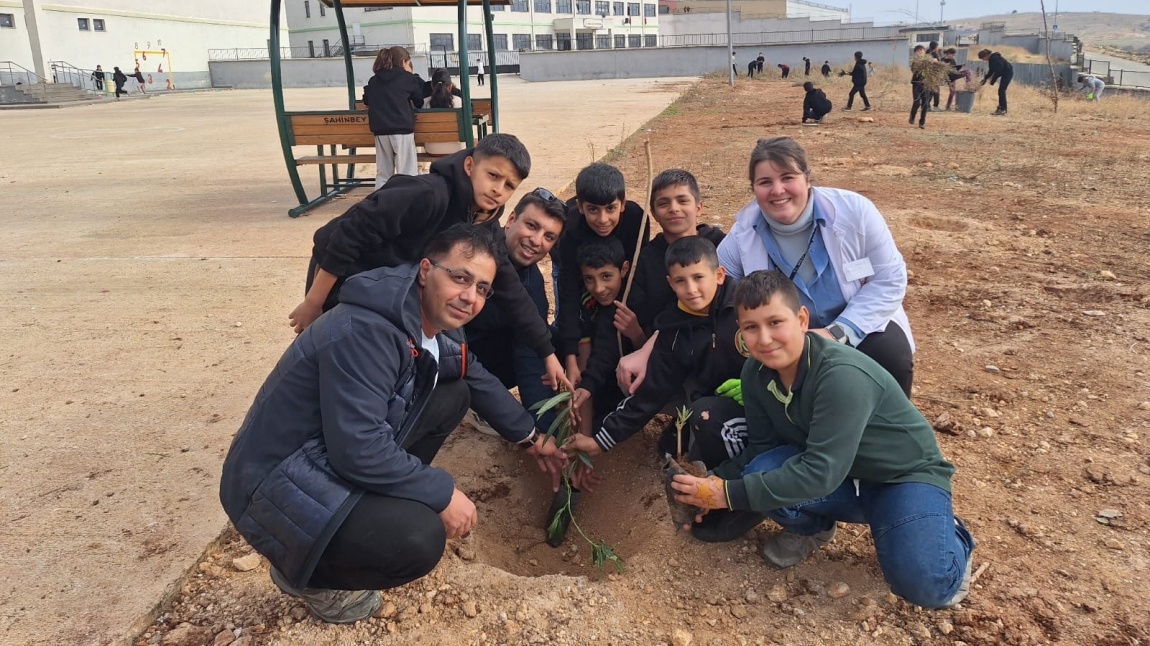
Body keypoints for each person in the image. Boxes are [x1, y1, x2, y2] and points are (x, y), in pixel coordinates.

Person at [220, 225, 568, 625]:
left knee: (452, 394)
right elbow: (358, 449)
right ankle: (308, 577)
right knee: (418, 539)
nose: (470, 296)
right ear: (425, 270)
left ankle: (371, 501)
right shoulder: (369, 331)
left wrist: (530, 437)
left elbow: (471, 372)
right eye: (460, 277)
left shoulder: (429, 318)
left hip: (321, 454)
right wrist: (440, 493)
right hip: (271, 483)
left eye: (483, 289)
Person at [670, 270, 975, 610]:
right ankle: (815, 529)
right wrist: (711, 485)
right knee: (763, 467)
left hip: (899, 478)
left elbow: (819, 473)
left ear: (801, 319)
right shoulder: (755, 374)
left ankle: (948, 532)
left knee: (928, 587)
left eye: (775, 322)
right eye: (751, 327)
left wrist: (726, 495)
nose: (765, 339)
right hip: (842, 478)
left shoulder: (839, 375)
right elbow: (762, 447)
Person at [615, 137, 915, 398]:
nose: (778, 190)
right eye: (765, 182)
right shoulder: (742, 237)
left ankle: (893, 435)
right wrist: (646, 351)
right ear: (754, 188)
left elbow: (889, 279)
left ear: (807, 179)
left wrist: (837, 332)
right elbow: (702, 299)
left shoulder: (855, 212)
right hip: (788, 335)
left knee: (890, 352)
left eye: (788, 177)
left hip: (857, 323)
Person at [288, 133, 571, 393]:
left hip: (388, 291)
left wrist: (547, 353)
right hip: (341, 272)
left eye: (509, 185)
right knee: (318, 353)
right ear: (470, 166)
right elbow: (346, 235)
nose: (498, 189)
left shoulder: (485, 225)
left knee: (363, 367)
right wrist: (314, 301)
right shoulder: (428, 194)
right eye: (493, 175)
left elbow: (512, 292)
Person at [565, 237, 753, 543]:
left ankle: (742, 496)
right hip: (719, 407)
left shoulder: (747, 303)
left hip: (774, 400)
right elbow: (649, 395)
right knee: (696, 424)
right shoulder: (673, 332)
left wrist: (757, 383)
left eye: (698, 278)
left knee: (712, 421)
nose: (691, 289)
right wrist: (600, 441)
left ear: (719, 275)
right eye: (681, 281)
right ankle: (727, 490)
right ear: (670, 284)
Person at [465, 189, 568, 433]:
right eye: (532, 226)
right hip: (443, 354)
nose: (536, 240)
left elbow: (530, 357)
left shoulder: (532, 286)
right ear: (511, 219)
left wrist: (542, 431)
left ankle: (483, 400)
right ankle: (470, 399)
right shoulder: (471, 252)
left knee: (553, 344)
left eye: (549, 237)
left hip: (485, 360)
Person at [552, 163, 649, 386]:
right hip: (574, 271)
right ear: (580, 206)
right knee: (572, 320)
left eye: (611, 208)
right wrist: (572, 357)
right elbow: (568, 294)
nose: (603, 219)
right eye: (593, 209)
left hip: (615, 271)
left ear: (623, 205)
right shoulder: (570, 229)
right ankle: (574, 375)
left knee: (609, 316)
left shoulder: (636, 220)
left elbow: (632, 274)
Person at [626, 169, 725, 337]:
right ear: (654, 213)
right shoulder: (646, 259)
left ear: (699, 207)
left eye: (682, 200)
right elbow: (644, 318)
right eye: (663, 203)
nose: (673, 208)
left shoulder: (721, 245)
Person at [363, 46, 424, 187]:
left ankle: (381, 202)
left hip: (380, 132)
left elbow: (367, 99)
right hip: (402, 130)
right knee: (407, 172)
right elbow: (419, 101)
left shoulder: (374, 80)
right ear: (404, 62)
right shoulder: (407, 78)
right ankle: (408, 202)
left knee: (383, 173)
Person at [422, 70, 466, 156]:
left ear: (432, 86)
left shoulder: (425, 103)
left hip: (432, 149)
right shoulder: (459, 101)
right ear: (450, 87)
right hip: (457, 149)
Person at [978, 48, 1013, 116]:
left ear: (986, 56)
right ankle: (1001, 108)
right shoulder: (992, 59)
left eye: (983, 58)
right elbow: (991, 71)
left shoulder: (994, 58)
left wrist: (992, 80)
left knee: (1001, 90)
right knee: (1001, 91)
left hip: (1007, 73)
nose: (983, 60)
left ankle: (1003, 109)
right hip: (1004, 72)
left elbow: (998, 70)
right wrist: (985, 79)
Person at [909, 45, 931, 130]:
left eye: (921, 50)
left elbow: (932, 71)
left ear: (924, 51)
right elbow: (914, 70)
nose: (920, 51)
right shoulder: (915, 62)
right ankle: (912, 115)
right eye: (918, 50)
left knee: (925, 105)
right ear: (915, 53)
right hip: (916, 84)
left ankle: (922, 122)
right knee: (917, 102)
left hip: (927, 85)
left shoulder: (930, 61)